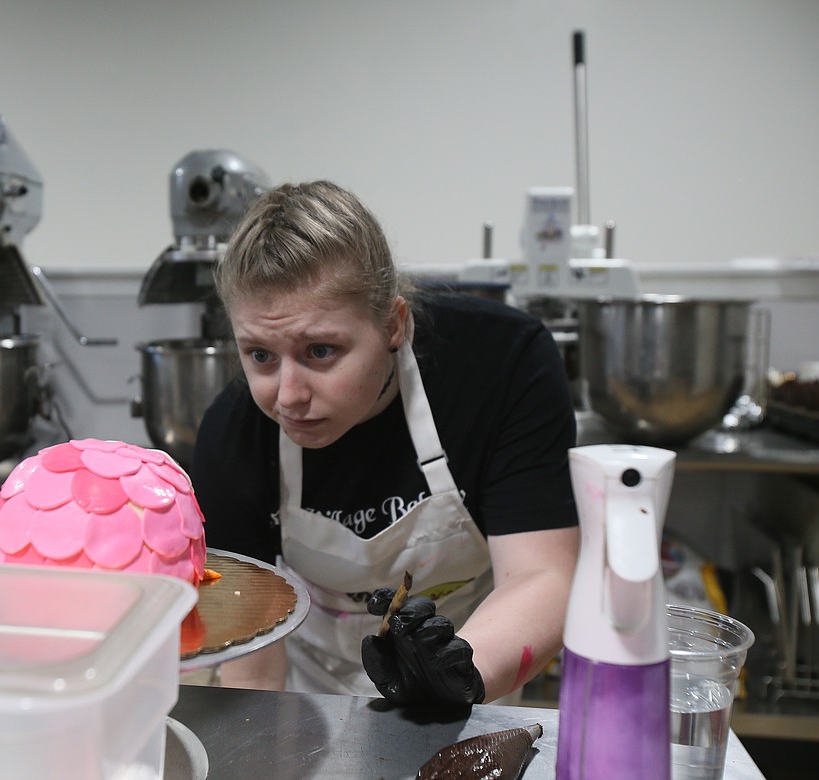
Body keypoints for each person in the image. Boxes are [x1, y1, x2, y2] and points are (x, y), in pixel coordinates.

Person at [189, 180, 580, 707]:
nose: (288, 396)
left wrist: (453, 675)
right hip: (312, 697)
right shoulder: (233, 433)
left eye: (321, 350)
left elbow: (542, 573)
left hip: (478, 674)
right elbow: (254, 669)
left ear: (394, 324)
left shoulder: (502, 367)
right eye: (260, 355)